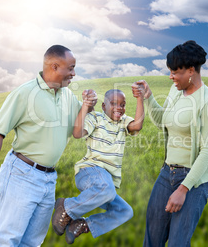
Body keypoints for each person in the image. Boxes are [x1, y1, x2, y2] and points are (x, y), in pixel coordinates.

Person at [0, 45, 97, 246]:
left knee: (32, 242)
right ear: (54, 66)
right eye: (70, 68)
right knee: (6, 240)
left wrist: (89, 104)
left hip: (48, 180)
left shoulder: (67, 95)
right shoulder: (25, 93)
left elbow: (79, 126)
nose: (73, 73)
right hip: (21, 175)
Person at [133, 40, 208, 247]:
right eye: (170, 71)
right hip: (167, 174)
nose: (171, 77)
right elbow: (162, 120)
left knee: (178, 243)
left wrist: (183, 189)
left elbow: (207, 151)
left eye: (175, 72)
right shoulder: (175, 91)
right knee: (152, 239)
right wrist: (148, 97)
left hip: (193, 181)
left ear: (191, 70)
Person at [51, 87, 145, 244]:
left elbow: (137, 126)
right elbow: (77, 133)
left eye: (123, 104)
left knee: (125, 211)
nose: (119, 108)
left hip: (105, 183)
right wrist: (86, 106)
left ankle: (82, 224)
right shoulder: (96, 118)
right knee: (107, 189)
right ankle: (66, 207)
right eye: (114, 103)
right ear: (103, 106)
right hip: (89, 172)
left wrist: (140, 98)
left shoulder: (123, 122)